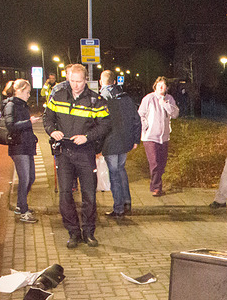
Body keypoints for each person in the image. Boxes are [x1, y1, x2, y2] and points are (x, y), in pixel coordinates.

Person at [43, 64, 111, 248]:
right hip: (64, 152)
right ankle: (73, 232)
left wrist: (87, 137)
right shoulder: (57, 96)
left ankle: (89, 233)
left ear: (86, 79)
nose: (75, 85)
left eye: (79, 81)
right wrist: (52, 131)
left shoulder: (96, 100)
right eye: (72, 81)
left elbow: (105, 126)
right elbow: (47, 118)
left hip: (85, 152)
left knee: (89, 195)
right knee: (65, 195)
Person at [99, 70, 141, 218]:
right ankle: (127, 202)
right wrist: (136, 139)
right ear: (115, 82)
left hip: (110, 142)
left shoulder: (101, 99)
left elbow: (98, 123)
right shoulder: (126, 98)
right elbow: (136, 120)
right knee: (121, 170)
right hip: (125, 141)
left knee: (114, 174)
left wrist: (97, 144)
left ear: (101, 81)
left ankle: (118, 208)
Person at [3, 79, 40, 223]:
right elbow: (10, 125)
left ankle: (20, 206)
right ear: (19, 90)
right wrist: (29, 122)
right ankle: (24, 211)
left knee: (31, 178)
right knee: (25, 179)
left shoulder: (21, 105)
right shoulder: (11, 105)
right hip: (18, 146)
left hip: (26, 145)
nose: (29, 95)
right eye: (27, 92)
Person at [138, 76, 179, 197]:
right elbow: (141, 114)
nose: (161, 87)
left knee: (162, 163)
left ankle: (157, 185)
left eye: (164, 86)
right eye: (159, 85)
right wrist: (146, 127)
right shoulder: (149, 98)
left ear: (167, 88)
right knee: (154, 163)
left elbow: (175, 113)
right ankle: (156, 187)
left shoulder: (169, 99)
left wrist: (165, 105)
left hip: (164, 137)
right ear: (155, 86)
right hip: (150, 137)